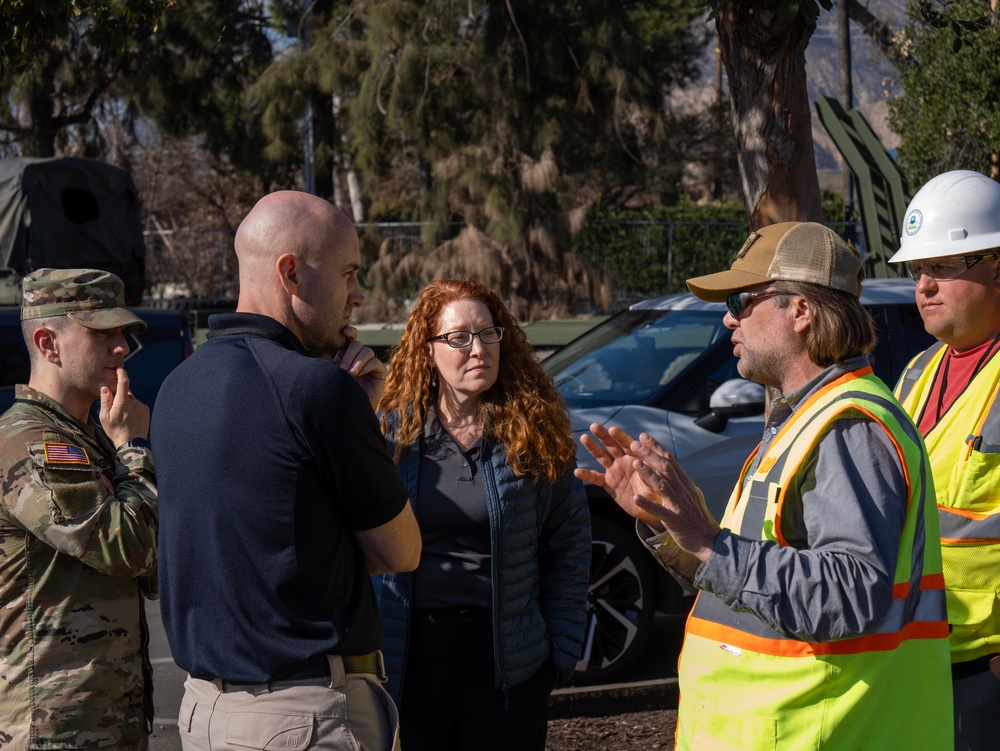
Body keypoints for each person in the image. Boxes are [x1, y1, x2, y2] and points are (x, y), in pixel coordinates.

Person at [576, 222, 953, 750]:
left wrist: (707, 540)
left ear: (801, 311)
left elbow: (849, 596)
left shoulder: (847, 426)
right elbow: (743, 580)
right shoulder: (804, 418)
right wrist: (672, 527)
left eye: (742, 299)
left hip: (825, 733)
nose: (729, 317)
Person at [151, 191, 422, 751]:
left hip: (203, 713)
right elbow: (401, 551)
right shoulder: (316, 390)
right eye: (347, 273)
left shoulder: (179, 386)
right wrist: (363, 417)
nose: (358, 294)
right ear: (290, 272)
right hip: (306, 718)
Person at [375, 279, 591, 751]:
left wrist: (560, 652)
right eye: (458, 337)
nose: (478, 349)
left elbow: (568, 542)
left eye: (488, 333)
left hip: (509, 663)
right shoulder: (392, 432)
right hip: (413, 658)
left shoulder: (535, 429)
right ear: (427, 350)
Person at [0, 268, 158, 749]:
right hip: (54, 726)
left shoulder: (90, 439)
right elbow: (129, 549)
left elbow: (154, 571)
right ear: (48, 343)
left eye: (123, 334)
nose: (122, 348)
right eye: (103, 333)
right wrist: (134, 448)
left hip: (105, 719)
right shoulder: (31, 442)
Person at [889, 169, 1000, 751]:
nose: (924, 286)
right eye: (916, 271)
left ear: (998, 264)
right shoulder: (916, 371)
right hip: (920, 648)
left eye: (943, 267)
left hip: (988, 665)